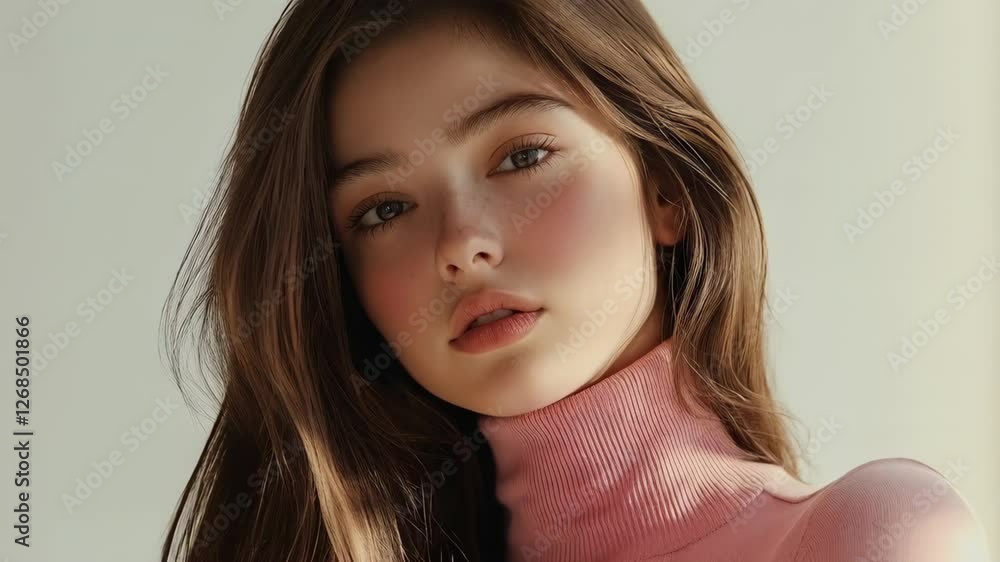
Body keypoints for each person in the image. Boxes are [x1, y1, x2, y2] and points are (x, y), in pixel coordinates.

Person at [160, 1, 990, 560]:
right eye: (382, 210)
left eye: (521, 157)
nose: (461, 245)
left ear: (665, 186)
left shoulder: (874, 535)